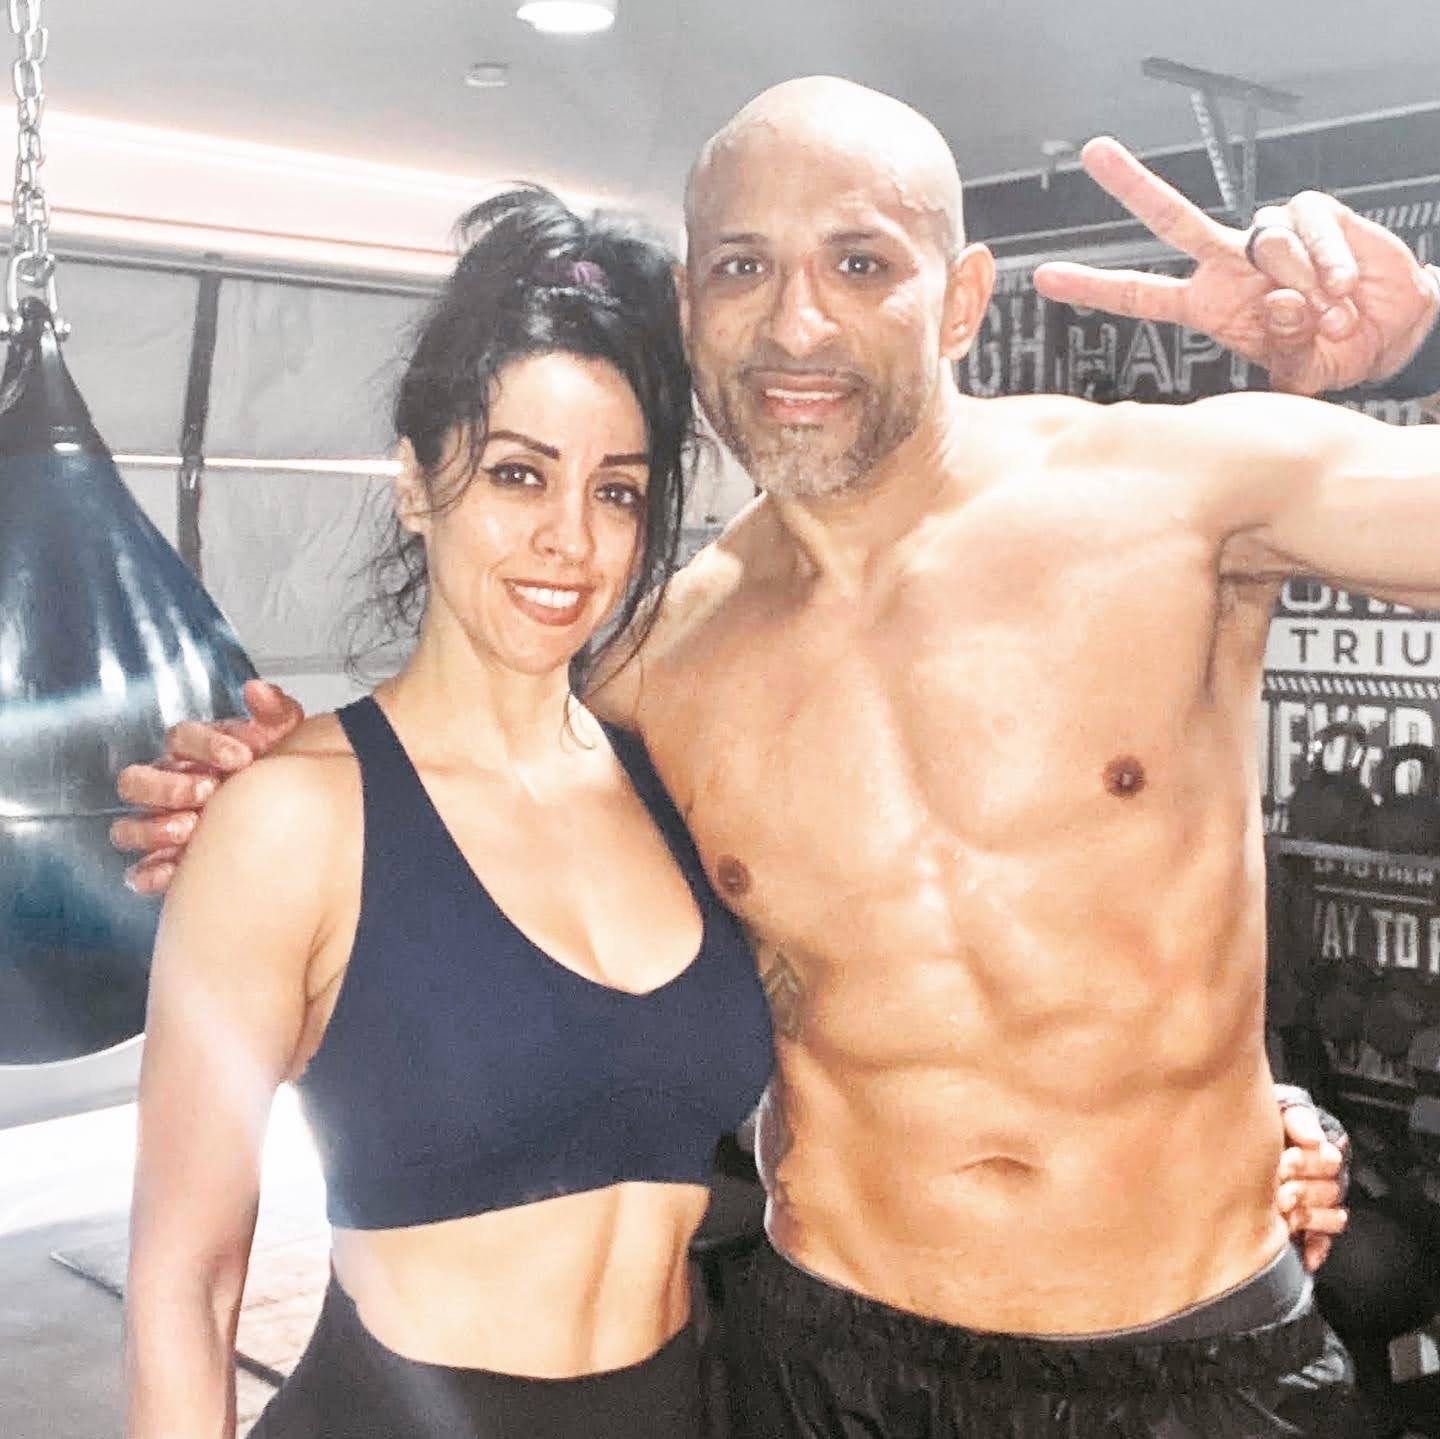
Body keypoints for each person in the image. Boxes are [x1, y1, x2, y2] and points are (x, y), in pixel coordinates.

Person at [111, 78, 1414, 1435]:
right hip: (815, 1367)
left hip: (1189, 1353)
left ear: (961, 299)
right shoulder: (651, 667)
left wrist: (1423, 328)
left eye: (861, 261)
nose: (798, 320)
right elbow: (448, 792)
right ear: (692, 306)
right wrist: (261, 777)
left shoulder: (1186, 492)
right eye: (746, 265)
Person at [122, 186, 774, 1439]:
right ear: (417, 483)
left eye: (620, 491)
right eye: (519, 473)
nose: (570, 540)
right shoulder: (292, 819)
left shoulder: (679, 784)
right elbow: (185, 1284)